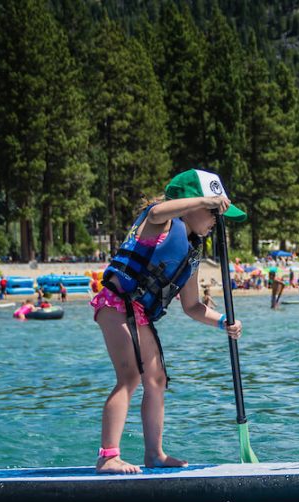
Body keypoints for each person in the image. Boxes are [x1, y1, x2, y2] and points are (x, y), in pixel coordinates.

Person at [91, 168, 245, 474]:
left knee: (157, 380)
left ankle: (155, 455)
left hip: (139, 315)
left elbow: (192, 306)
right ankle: (108, 456)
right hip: (116, 305)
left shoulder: (191, 253)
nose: (217, 220)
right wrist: (204, 199)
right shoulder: (159, 225)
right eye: (213, 212)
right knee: (130, 376)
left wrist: (223, 321)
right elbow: (160, 209)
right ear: (191, 203)